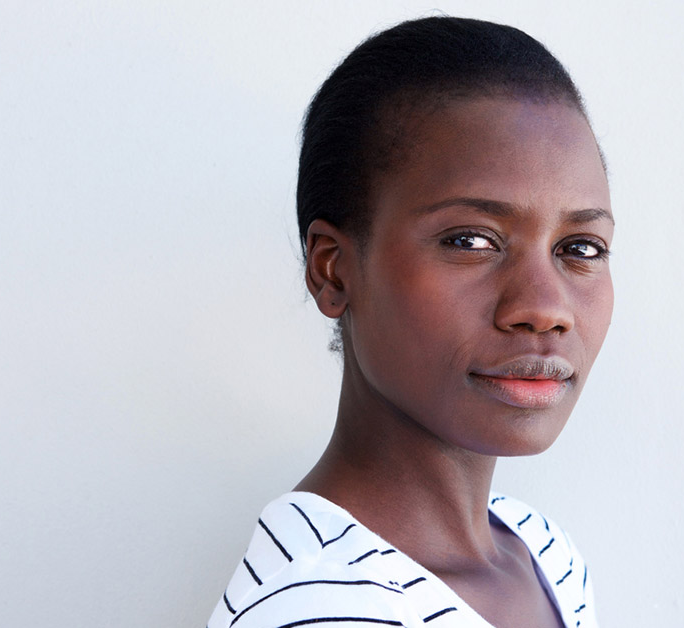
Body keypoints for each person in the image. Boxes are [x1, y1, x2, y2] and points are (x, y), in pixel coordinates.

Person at [208, 16, 612, 628]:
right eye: (471, 240)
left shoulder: (545, 555)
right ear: (335, 272)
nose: (545, 307)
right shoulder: (321, 610)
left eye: (580, 247)